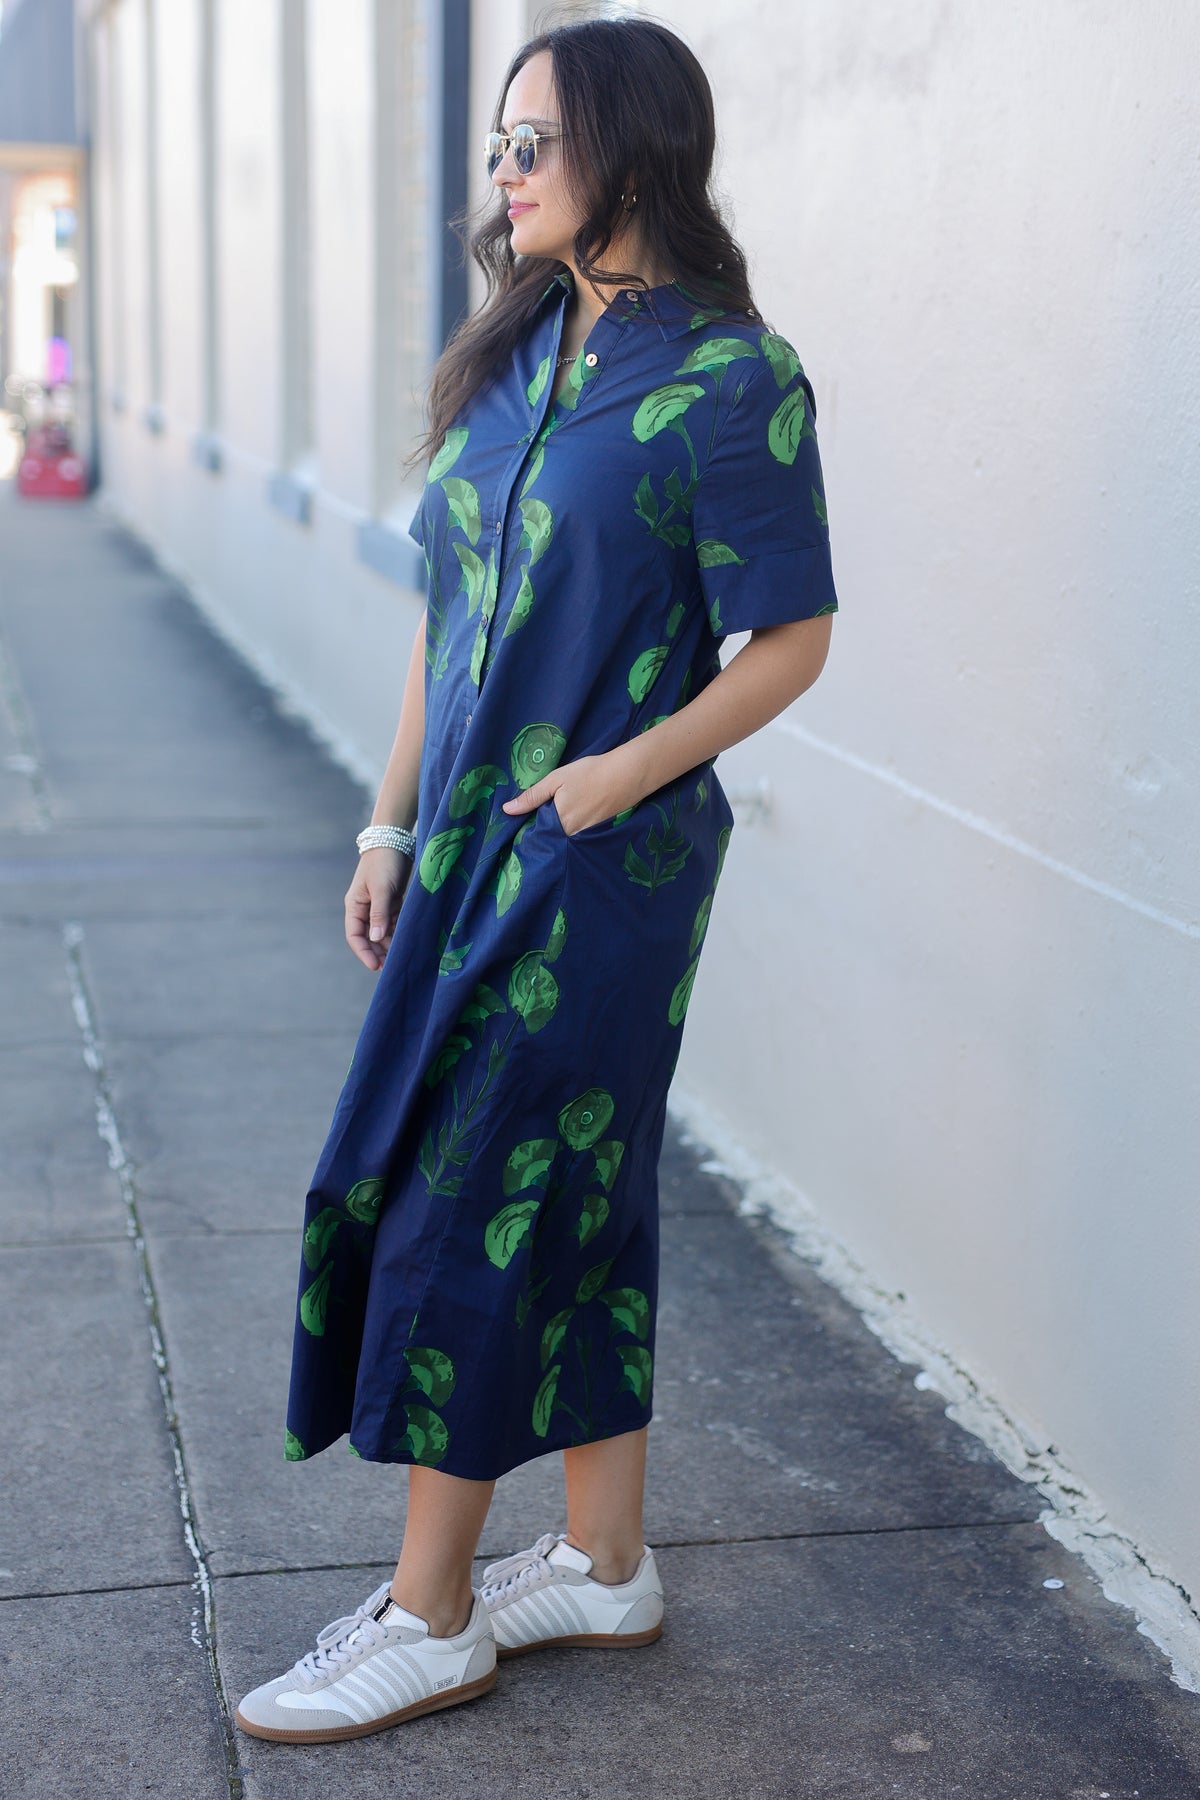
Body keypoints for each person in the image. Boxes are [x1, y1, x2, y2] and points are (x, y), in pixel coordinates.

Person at [235, 15, 837, 1745]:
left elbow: (788, 639)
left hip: (604, 866)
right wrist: (385, 820)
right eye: (497, 144)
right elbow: (449, 615)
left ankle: (432, 1610)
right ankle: (605, 1556)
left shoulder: (735, 379)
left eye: (532, 143)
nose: (503, 173)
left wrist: (614, 778)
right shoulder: (508, 360)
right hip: (462, 852)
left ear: (631, 149)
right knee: (579, 1186)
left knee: (459, 1189)